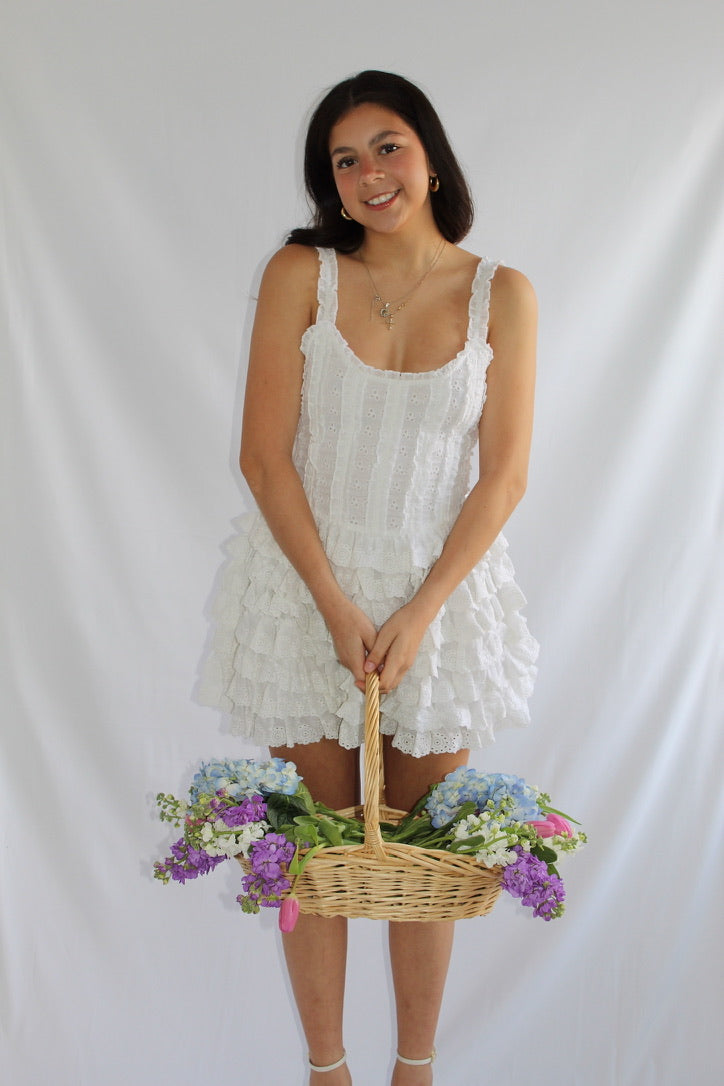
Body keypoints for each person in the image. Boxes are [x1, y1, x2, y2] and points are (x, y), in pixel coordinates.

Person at [200, 70, 538, 1086]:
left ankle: (415, 1069)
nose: (368, 173)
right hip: (305, 588)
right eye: (344, 160)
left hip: (443, 599)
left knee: (425, 856)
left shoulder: (503, 294)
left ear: (430, 158)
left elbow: (504, 476)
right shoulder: (299, 273)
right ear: (331, 185)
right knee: (315, 851)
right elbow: (265, 458)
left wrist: (423, 609)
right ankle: (327, 1071)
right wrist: (333, 604)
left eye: (387, 146)